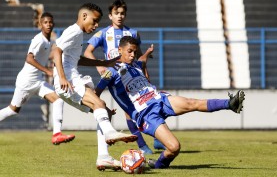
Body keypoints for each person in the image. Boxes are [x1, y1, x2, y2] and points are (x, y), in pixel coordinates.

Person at [95, 36, 246, 169]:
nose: (133, 55)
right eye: (129, 51)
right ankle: (160, 164)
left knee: (192, 103)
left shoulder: (136, 64)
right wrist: (105, 109)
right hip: (145, 114)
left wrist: (147, 53)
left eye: (135, 51)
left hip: (159, 99)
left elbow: (142, 60)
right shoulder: (111, 72)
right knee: (174, 147)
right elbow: (96, 94)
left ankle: (230, 103)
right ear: (119, 50)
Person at [51, 3, 137, 157]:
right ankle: (110, 133)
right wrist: (63, 77)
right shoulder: (74, 31)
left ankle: (103, 157)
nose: (96, 26)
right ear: (84, 16)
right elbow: (56, 51)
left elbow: (78, 60)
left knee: (104, 109)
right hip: (69, 80)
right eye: (95, 21)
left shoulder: (77, 34)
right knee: (100, 105)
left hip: (71, 80)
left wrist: (104, 63)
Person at [84, 0, 163, 162]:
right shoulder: (104, 33)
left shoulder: (132, 33)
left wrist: (145, 72)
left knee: (150, 104)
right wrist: (100, 68)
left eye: (122, 13)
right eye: (116, 13)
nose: (119, 16)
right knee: (130, 111)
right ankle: (143, 146)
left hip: (134, 77)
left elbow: (139, 56)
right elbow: (87, 52)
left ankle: (156, 138)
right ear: (110, 15)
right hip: (116, 79)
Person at [0, 12, 75, 145]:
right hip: (26, 82)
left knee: (58, 100)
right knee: (13, 110)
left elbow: (52, 55)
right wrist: (47, 71)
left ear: (53, 24)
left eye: (50, 22)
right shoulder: (38, 39)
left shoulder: (49, 41)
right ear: (40, 24)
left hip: (38, 82)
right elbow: (29, 58)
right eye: (45, 22)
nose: (48, 25)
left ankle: (57, 134)